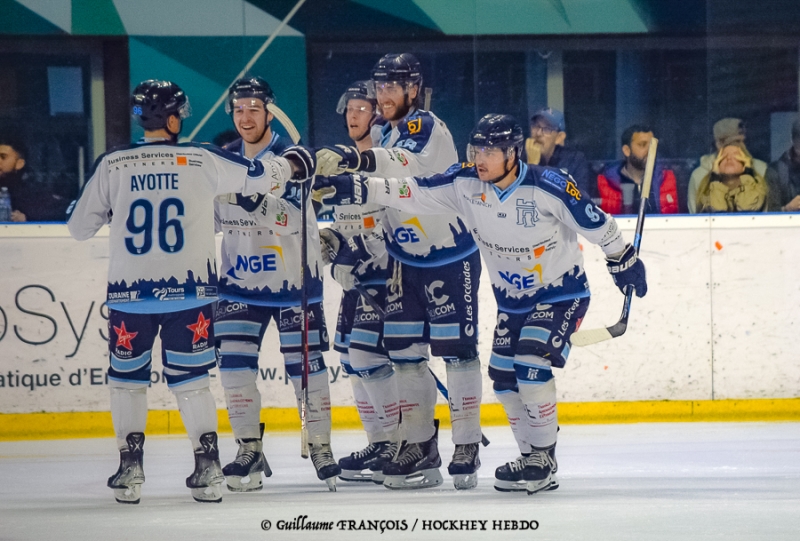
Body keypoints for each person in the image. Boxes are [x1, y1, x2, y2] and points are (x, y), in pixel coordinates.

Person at [318, 114, 647, 495]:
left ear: (513, 152)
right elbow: (411, 190)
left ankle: (543, 455)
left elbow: (599, 224)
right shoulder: (464, 183)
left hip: (561, 292)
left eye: (491, 151)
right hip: (512, 302)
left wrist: (623, 260)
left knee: (530, 365)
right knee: (504, 380)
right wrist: (356, 188)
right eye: (477, 149)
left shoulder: (550, 186)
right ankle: (531, 456)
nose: (481, 158)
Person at [66, 79, 315, 504]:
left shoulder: (113, 164)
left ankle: (130, 468)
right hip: (191, 294)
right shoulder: (202, 159)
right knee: (193, 382)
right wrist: (294, 162)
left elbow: (78, 228)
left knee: (127, 384)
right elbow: (260, 178)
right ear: (176, 117)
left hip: (131, 297)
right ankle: (209, 468)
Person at [315, 53, 484, 491]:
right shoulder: (378, 131)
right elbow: (376, 199)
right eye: (380, 87)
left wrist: (351, 162)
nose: (384, 95)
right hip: (402, 262)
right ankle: (419, 445)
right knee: (406, 355)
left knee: (457, 352)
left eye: (393, 86)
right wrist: (343, 234)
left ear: (413, 89)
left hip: (449, 254)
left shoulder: (424, 126)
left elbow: (397, 167)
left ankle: (465, 444)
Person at [213, 76, 341, 492]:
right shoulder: (223, 162)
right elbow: (211, 219)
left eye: (254, 108)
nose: (245, 116)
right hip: (238, 284)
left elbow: (292, 221)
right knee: (233, 368)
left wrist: (252, 199)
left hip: (291, 282)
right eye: (238, 109)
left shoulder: (291, 160)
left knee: (305, 370)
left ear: (270, 112)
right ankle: (249, 448)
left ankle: (319, 443)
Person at [316, 81, 397, 483]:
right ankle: (381, 442)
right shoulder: (341, 164)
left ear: (378, 114)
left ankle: (400, 443)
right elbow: (352, 222)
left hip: (385, 277)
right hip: (355, 279)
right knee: (351, 359)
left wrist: (358, 254)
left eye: (362, 109)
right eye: (349, 109)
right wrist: (333, 239)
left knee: (369, 357)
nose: (353, 115)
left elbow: (391, 224)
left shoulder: (385, 161)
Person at [687, 118, 767, 214]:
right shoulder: (699, 176)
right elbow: (700, 218)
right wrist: (715, 177)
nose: (730, 154)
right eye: (725, 143)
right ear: (717, 144)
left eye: (739, 142)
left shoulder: (762, 171)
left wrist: (748, 172)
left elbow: (757, 213)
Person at [596, 125, 679, 214]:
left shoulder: (668, 179)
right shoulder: (605, 183)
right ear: (627, 150)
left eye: (652, 145)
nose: (649, 150)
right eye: (642, 145)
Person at [0, 135, 70, 221]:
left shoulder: (31, 192)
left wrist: (28, 218)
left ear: (19, 163)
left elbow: (67, 210)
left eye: (3, 157)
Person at [525, 108, 592, 195]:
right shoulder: (520, 158)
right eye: (536, 126)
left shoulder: (574, 160)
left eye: (547, 129)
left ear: (559, 137)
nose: (538, 133)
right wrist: (531, 165)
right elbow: (521, 200)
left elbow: (580, 199)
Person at [695, 144, 769, 213]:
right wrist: (715, 178)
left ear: (745, 162)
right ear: (717, 163)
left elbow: (747, 208)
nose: (729, 158)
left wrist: (748, 172)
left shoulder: (757, 187)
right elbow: (717, 212)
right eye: (724, 155)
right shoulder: (707, 189)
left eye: (735, 155)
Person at [766, 118, 800, 212]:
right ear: (793, 140)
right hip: (789, 225)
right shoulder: (775, 171)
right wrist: (787, 208)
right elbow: (770, 212)